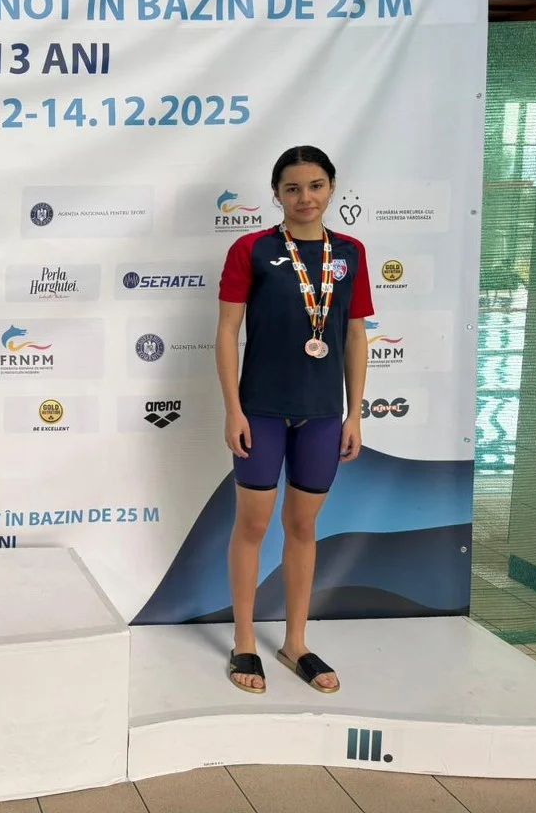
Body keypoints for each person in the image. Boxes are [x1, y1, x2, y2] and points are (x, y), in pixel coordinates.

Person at [215, 145, 372, 695]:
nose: (305, 197)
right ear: (277, 194)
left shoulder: (350, 252)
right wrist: (233, 408)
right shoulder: (252, 249)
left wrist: (354, 413)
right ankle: (244, 641)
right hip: (260, 411)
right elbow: (227, 332)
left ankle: (296, 642)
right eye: (293, 188)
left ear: (332, 188)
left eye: (315, 186)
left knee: (303, 528)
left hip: (323, 415)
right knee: (253, 525)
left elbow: (355, 334)